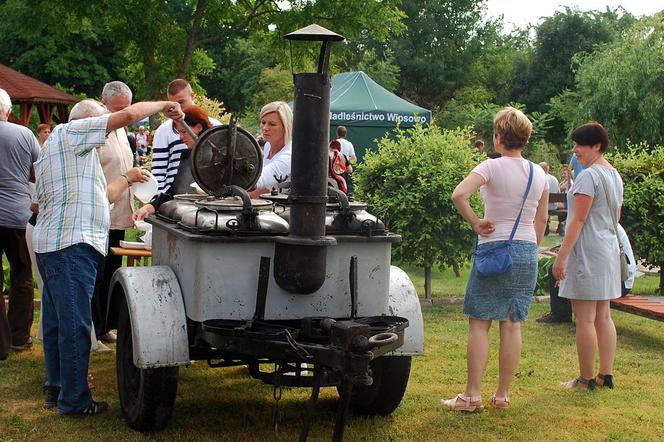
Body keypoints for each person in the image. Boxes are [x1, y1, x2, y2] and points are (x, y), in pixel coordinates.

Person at [34, 98, 183, 416]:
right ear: (88, 121)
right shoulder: (72, 131)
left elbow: (101, 196)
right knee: (75, 324)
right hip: (72, 245)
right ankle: (75, 401)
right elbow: (128, 114)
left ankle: (57, 385)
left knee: (57, 322)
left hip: (54, 245)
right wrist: (163, 105)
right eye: (105, 124)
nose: (109, 132)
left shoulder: (64, 153)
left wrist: (128, 179)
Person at [445, 107, 548, 412]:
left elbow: (458, 194)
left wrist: (477, 223)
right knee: (513, 323)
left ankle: (472, 396)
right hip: (527, 250)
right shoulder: (539, 173)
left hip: (494, 248)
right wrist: (529, 249)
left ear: (500, 136)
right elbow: (541, 220)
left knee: (480, 323)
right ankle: (502, 395)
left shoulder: (490, 167)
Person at [552, 121, 623, 390]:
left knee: (584, 319)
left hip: (587, 252)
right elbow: (615, 218)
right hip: (606, 251)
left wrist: (561, 257)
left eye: (580, 144)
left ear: (596, 146)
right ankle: (606, 374)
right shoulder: (615, 175)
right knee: (603, 316)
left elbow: (577, 221)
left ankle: (585, 379)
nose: (575, 150)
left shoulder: (589, 176)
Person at [89, 81, 136, 349]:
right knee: (95, 275)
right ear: (103, 103)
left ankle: (105, 326)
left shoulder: (121, 131)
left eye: (126, 110)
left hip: (118, 216)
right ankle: (93, 330)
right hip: (98, 215)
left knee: (110, 273)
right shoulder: (96, 132)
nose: (122, 115)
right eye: (118, 109)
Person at [0, 88, 40, 361]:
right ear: (8, 110)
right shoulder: (24, 134)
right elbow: (39, 171)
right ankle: (18, 336)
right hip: (17, 214)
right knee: (22, 274)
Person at [538, 222, 636, 324]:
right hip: (610, 277)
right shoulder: (602, 222)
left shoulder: (599, 226)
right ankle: (561, 315)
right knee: (556, 270)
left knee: (576, 275)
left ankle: (581, 322)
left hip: (620, 281)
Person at [134, 106, 212, 220]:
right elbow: (174, 190)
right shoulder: (187, 156)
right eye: (179, 132)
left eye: (184, 131)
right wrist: (149, 207)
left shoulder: (220, 157)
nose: (181, 137)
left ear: (199, 127)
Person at [151, 79, 221, 193]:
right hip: (174, 197)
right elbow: (159, 172)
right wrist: (159, 202)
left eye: (181, 102)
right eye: (172, 105)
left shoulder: (216, 127)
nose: (177, 108)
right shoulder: (163, 131)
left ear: (193, 96)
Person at [249, 101, 293, 198]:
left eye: (272, 124)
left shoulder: (289, 156)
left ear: (286, 127)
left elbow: (257, 181)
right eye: (263, 122)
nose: (265, 128)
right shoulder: (267, 146)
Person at [539, 162, 560, 235]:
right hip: (553, 206)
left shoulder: (540, 178)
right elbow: (558, 192)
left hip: (542, 207)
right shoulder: (554, 179)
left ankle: (544, 226)